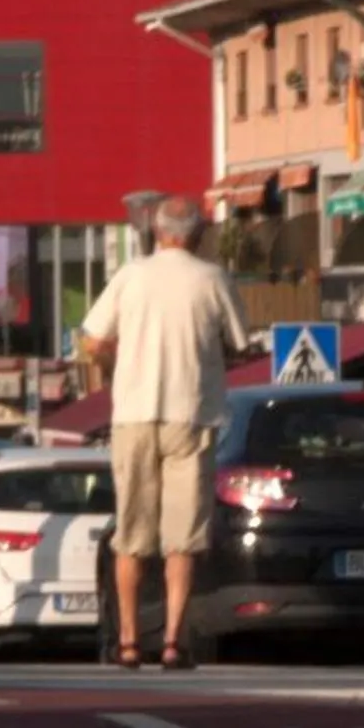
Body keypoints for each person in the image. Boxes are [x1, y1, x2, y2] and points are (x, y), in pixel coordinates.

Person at [80, 193, 251, 668]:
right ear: (197, 234)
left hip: (133, 415)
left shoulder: (130, 276)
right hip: (191, 415)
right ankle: (174, 641)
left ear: (157, 232)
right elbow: (240, 341)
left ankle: (129, 642)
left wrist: (120, 360)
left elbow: (92, 339)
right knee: (183, 538)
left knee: (131, 534)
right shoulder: (212, 278)